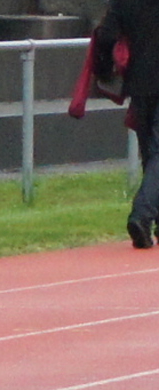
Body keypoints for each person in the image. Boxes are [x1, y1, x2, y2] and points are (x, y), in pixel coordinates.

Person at [99, 0, 159, 247]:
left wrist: (105, 69)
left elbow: (106, 35)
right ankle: (142, 214)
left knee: (151, 153)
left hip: (139, 80)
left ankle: (150, 218)